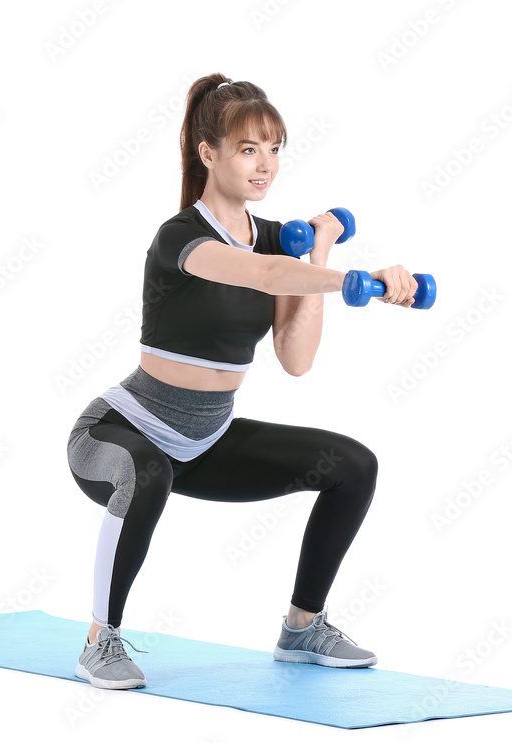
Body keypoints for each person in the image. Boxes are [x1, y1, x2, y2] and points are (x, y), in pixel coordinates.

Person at [66, 72, 419, 690]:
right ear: (210, 154)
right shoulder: (182, 238)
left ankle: (303, 628)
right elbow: (260, 277)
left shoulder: (281, 239)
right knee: (148, 474)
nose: (266, 166)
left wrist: (324, 255)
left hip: (206, 444)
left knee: (353, 465)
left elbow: (295, 359)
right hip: (121, 434)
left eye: (275, 148)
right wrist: (349, 282)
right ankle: (102, 639)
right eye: (249, 149)